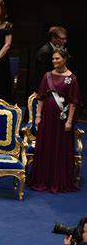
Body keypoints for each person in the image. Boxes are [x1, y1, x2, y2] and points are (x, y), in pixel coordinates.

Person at [29, 50, 82, 192]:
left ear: (65, 59)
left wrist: (69, 121)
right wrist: (38, 116)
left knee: (60, 146)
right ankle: (43, 178)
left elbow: (73, 102)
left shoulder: (72, 78)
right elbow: (40, 97)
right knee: (45, 145)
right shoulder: (47, 76)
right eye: (53, 59)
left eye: (57, 58)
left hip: (61, 119)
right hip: (47, 117)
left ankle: (58, 180)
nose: (55, 61)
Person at [34, 26, 67, 94]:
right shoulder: (45, 52)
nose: (65, 41)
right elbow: (43, 76)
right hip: (45, 90)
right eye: (62, 39)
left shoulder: (55, 49)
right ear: (53, 38)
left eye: (65, 38)